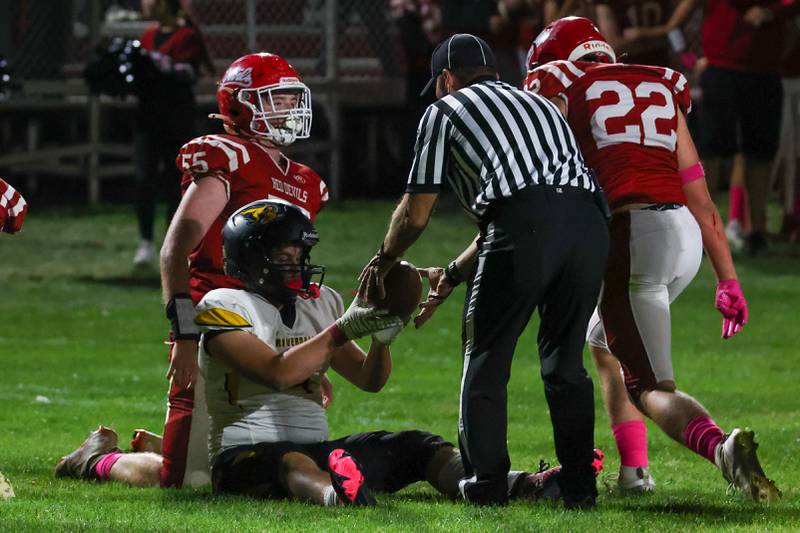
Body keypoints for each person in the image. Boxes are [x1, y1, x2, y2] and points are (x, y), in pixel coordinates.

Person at [55, 200, 564, 506]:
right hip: (242, 456)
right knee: (293, 459)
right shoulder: (222, 304)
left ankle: (513, 485)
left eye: (302, 254)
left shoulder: (321, 305)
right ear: (251, 259)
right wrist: (345, 329)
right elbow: (277, 373)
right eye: (284, 254)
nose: (298, 265)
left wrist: (383, 336)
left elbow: (368, 380)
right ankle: (332, 495)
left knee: (418, 444)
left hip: (324, 452)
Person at [523, 16, 780, 501]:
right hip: (682, 234)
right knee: (604, 344)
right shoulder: (659, 85)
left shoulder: (563, 89)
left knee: (649, 386)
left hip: (632, 238)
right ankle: (634, 474)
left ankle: (722, 448)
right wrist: (728, 281)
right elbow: (701, 199)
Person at [357, 33, 609, 508]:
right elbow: (535, 201)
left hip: (524, 225)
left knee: (487, 359)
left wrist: (385, 257)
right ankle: (579, 486)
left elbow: (417, 212)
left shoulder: (446, 109)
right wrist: (452, 274)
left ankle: (487, 484)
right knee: (564, 364)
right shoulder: (539, 106)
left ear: (447, 78)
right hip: (590, 224)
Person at [158, 52, 330, 488]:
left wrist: (315, 363)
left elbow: (296, 272)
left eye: (292, 99)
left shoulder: (306, 181)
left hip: (275, 331)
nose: (288, 109)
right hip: (219, 323)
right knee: (185, 480)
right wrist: (183, 334)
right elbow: (176, 251)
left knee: (263, 471)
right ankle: (101, 461)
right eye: (276, 99)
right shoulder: (227, 157)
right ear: (240, 104)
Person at [699, 0, 800, 255]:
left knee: (760, 152)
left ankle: (756, 229)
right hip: (722, 59)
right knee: (711, 151)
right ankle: (704, 230)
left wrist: (771, 10)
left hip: (765, 66)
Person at [133, 0, 213, 266]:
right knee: (143, 178)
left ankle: (173, 243)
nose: (145, 4)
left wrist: (156, 66)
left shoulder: (186, 36)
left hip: (177, 119)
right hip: (148, 119)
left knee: (174, 182)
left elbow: (187, 73)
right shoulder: (146, 36)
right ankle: (145, 241)